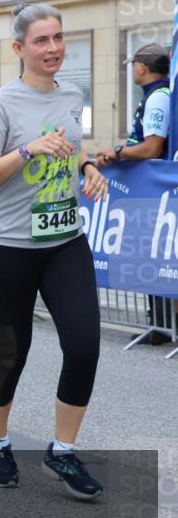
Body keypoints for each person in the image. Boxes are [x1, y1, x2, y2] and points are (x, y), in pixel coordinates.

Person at [0, 3, 110, 500]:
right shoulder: (1, 105)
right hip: (8, 248)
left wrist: (89, 165)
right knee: (12, 353)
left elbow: (72, 144)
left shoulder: (72, 93)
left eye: (57, 38)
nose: (52, 49)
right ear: (19, 49)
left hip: (65, 243)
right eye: (41, 41)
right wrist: (27, 150)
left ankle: (62, 451)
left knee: (85, 346)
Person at [97, 42, 173, 345]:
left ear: (142, 66)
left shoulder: (158, 97)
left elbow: (152, 146)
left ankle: (165, 325)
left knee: (160, 254)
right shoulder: (157, 94)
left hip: (156, 188)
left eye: (133, 64)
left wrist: (118, 153)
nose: (132, 69)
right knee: (153, 253)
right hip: (152, 186)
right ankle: (161, 324)